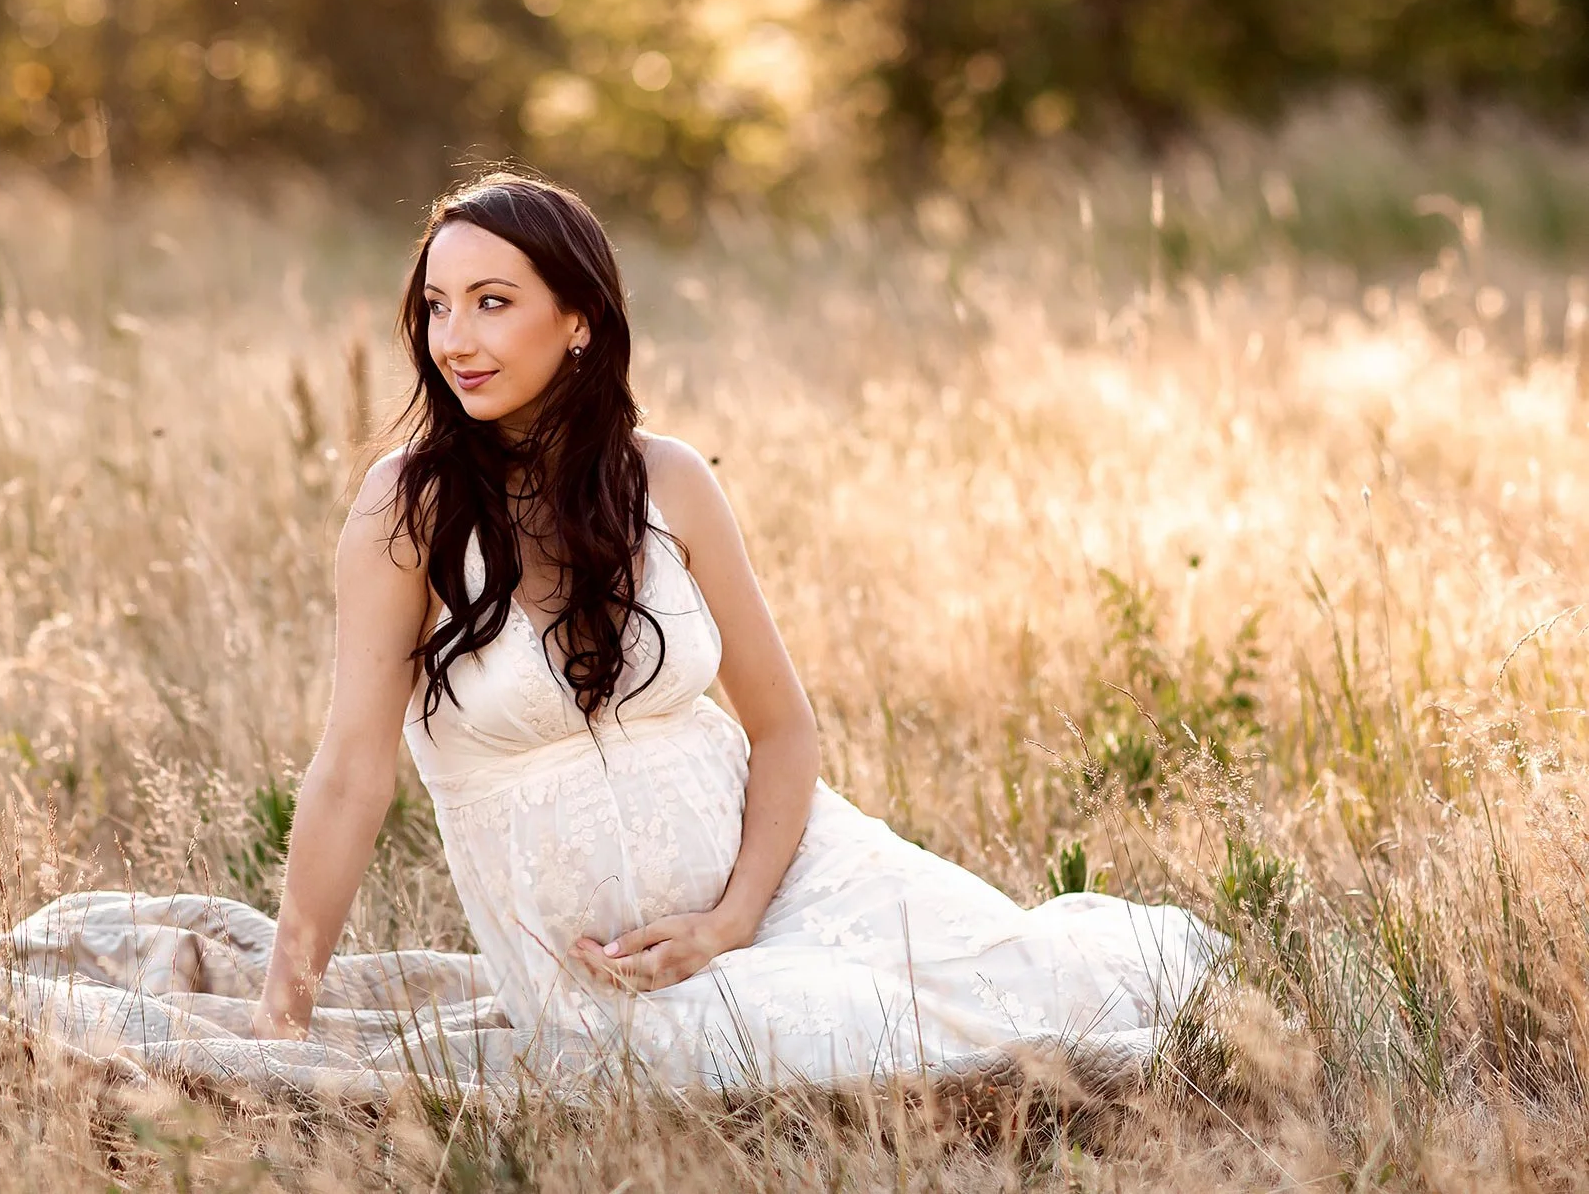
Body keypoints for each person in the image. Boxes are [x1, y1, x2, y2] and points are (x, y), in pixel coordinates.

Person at [248, 171, 1222, 1087]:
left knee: (1043, 989)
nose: (453, 336)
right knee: (837, 1039)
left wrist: (733, 916)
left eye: (491, 302)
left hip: (791, 875)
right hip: (611, 967)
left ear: (577, 319)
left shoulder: (665, 479)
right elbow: (348, 775)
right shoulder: (405, 508)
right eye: (435, 305)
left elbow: (781, 728)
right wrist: (280, 1024)